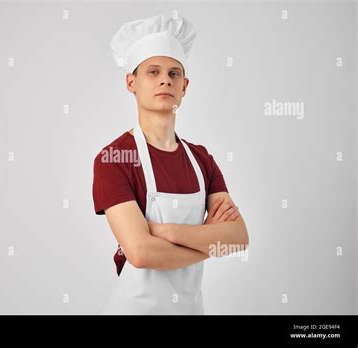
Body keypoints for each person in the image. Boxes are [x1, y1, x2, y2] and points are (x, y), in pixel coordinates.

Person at [92, 14, 249, 315]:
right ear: (131, 82)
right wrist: (208, 235)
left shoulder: (201, 159)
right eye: (153, 72)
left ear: (185, 86)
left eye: (174, 73)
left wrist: (166, 232)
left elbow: (238, 238)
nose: (166, 79)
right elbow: (140, 252)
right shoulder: (113, 159)